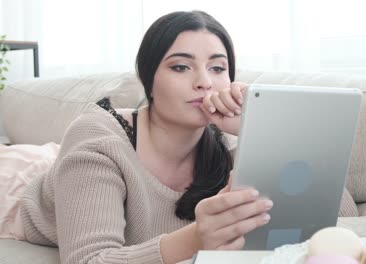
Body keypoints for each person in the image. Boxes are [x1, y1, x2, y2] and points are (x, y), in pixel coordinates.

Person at [17, 10, 273, 264]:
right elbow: (89, 260)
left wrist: (253, 130)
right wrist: (196, 238)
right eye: (181, 67)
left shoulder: (231, 143)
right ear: (147, 78)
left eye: (217, 68)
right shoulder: (99, 140)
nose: (204, 82)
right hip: (16, 192)